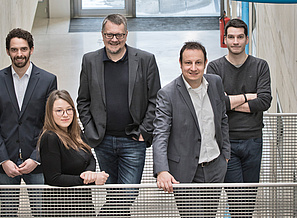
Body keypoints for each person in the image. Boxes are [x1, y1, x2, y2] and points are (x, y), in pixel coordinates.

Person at [77, 13, 161, 216]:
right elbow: (83, 100)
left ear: (126, 34)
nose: (114, 39)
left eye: (119, 35)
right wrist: (91, 130)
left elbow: (155, 100)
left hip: (133, 140)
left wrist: (143, 132)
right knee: (114, 194)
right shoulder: (90, 60)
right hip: (103, 141)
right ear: (102, 34)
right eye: (109, 35)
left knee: (127, 194)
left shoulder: (145, 60)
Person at [153, 41, 230, 217]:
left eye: (198, 62)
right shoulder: (168, 94)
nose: (193, 68)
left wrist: (225, 154)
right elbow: (160, 134)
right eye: (188, 63)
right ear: (180, 63)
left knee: (209, 215)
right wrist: (162, 170)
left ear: (206, 63)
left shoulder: (215, 83)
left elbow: (223, 119)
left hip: (215, 166)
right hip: (186, 172)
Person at [0, 28, 57, 216]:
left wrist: (36, 157)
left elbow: (49, 124)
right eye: (14, 49)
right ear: (8, 51)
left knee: (42, 212)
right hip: (6, 160)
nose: (19, 54)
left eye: (23, 49)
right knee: (8, 212)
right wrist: (3, 160)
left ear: (31, 50)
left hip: (37, 161)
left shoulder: (48, 80)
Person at [206, 18, 272, 217]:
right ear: (225, 39)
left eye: (240, 37)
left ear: (247, 39)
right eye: (231, 37)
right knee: (236, 198)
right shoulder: (215, 69)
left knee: (249, 198)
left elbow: (264, 102)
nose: (236, 41)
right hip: (228, 142)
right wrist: (247, 97)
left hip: (254, 140)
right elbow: (217, 105)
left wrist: (230, 102)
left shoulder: (260, 66)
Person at [38, 90, 109, 217]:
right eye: (59, 111)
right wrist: (90, 180)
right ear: (50, 113)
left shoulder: (77, 133)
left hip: (83, 205)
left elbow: (90, 158)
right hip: (61, 209)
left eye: (69, 109)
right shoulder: (50, 137)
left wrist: (89, 173)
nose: (65, 114)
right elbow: (53, 178)